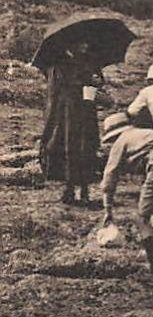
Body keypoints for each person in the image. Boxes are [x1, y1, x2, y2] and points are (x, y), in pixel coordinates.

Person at [99, 111, 153, 291]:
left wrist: (107, 210)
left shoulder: (121, 141)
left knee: (141, 218)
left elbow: (110, 175)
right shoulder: (145, 134)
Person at [39, 40, 104, 206]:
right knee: (70, 148)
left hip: (86, 111)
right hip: (66, 113)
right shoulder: (58, 64)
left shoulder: (89, 60)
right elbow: (59, 88)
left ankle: (84, 190)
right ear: (71, 45)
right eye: (82, 43)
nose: (86, 45)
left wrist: (97, 80)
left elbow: (98, 81)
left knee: (87, 148)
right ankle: (69, 189)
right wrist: (84, 81)